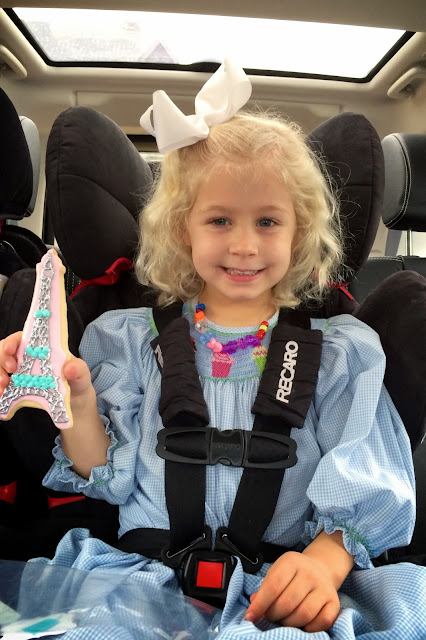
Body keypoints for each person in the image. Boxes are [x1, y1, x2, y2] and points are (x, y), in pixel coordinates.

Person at [0, 60, 424, 639]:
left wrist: (324, 566)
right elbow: (102, 473)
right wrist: (76, 399)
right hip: (137, 585)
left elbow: (366, 476)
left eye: (268, 221)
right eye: (220, 220)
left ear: (299, 232)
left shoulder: (339, 354)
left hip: (277, 592)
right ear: (183, 229)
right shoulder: (127, 340)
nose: (244, 245)